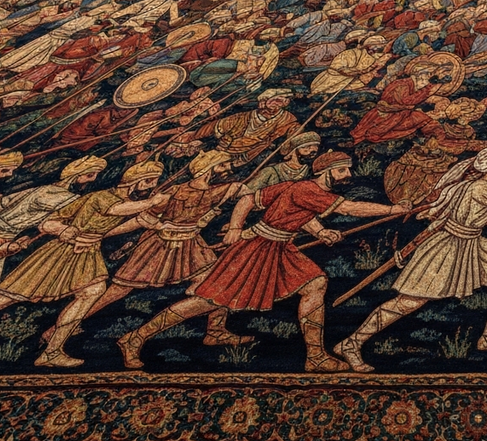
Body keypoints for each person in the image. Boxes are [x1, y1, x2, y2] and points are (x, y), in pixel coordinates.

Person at [116, 151, 409, 372]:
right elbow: (350, 208)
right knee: (209, 300)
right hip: (258, 247)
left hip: (281, 247)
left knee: (315, 284)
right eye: (342, 170)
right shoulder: (309, 190)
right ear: (326, 171)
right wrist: (392, 210)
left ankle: (315, 356)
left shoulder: (298, 187)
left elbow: (286, 211)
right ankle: (135, 337)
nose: (348, 174)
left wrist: (320, 231)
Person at [0, 159, 169, 367]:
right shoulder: (102, 197)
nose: (151, 186)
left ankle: (52, 351)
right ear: (134, 181)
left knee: (93, 291)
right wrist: (151, 203)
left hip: (88, 253)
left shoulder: (91, 198)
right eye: (149, 181)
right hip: (59, 254)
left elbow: (120, 224)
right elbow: (110, 212)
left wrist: (152, 219)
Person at [334, 142, 487, 372]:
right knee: (408, 302)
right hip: (448, 247)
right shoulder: (483, 189)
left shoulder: (478, 186)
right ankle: (351, 343)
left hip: (473, 243)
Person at [62, 150, 252, 347]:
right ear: (208, 169)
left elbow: (248, 195)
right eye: (223, 165)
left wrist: (235, 222)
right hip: (159, 245)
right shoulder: (174, 192)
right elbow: (141, 220)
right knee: (118, 290)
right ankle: (64, 326)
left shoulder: (222, 190)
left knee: (217, 282)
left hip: (192, 245)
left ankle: (215, 331)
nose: (228, 169)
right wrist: (104, 234)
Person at [245, 131, 320, 192]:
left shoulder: (313, 172)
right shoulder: (271, 171)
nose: (311, 154)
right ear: (294, 150)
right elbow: (248, 192)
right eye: (307, 148)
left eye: (314, 151)